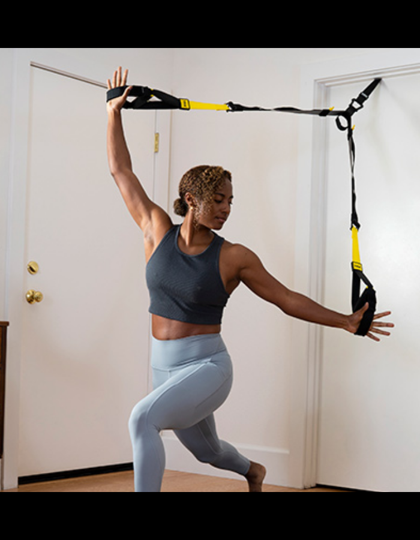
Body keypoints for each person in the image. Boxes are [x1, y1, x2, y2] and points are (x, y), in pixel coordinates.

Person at [106, 67, 393, 492]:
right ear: (191, 200)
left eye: (230, 201)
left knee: (142, 418)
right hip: (161, 367)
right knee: (208, 451)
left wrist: (345, 320)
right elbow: (121, 172)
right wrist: (114, 114)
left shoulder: (234, 256)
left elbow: (286, 297)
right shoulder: (155, 230)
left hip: (207, 366)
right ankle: (253, 471)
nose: (225, 209)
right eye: (218, 200)